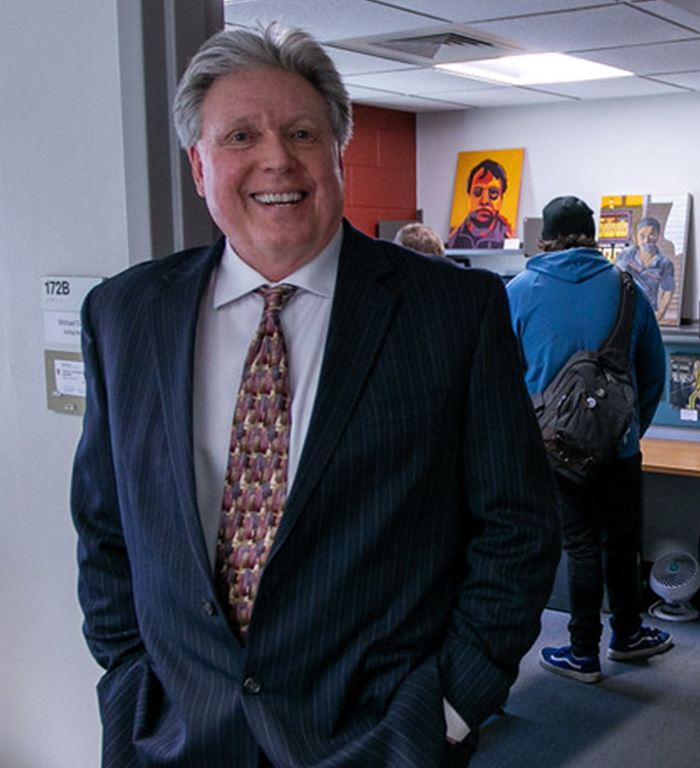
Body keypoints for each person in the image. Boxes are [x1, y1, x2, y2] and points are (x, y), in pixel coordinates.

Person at [70, 22, 560, 768]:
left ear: (338, 154)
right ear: (198, 167)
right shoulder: (123, 316)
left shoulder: (453, 313)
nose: (276, 159)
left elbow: (517, 528)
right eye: (239, 136)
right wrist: (127, 679)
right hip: (173, 738)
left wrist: (452, 704)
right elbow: (106, 529)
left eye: (302, 132)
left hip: (380, 739)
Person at [506, 196, 671, 685]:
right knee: (622, 542)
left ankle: (583, 654)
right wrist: (628, 431)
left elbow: (503, 376)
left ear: (545, 239)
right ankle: (627, 635)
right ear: (595, 236)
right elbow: (654, 369)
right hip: (619, 446)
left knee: (579, 545)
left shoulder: (517, 291)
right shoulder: (628, 286)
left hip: (555, 449)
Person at [615, 216, 676, 321]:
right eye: (642, 236)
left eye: (651, 235)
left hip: (647, 313)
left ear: (658, 237)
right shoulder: (626, 255)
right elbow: (615, 280)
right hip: (624, 311)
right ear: (636, 238)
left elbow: (669, 291)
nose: (646, 240)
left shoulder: (665, 264)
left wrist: (660, 313)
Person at [447, 159, 512, 249]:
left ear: (501, 198)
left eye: (493, 193)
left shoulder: (508, 238)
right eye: (477, 191)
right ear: (468, 195)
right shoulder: (453, 238)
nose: (484, 201)